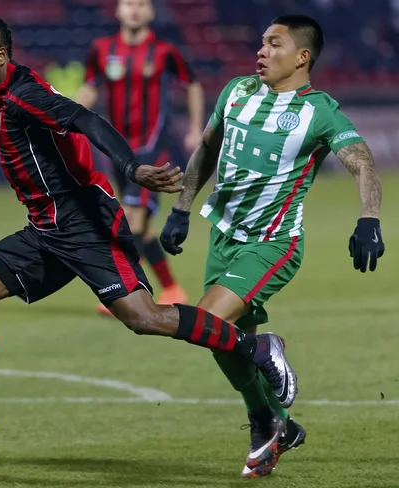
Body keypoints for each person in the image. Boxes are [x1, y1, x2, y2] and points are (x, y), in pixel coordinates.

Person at [0, 14, 298, 461]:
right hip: (46, 229)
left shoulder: (22, 96)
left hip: (85, 224)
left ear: (0, 56)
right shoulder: (3, 91)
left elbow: (84, 119)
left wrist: (132, 168)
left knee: (143, 317)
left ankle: (258, 346)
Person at [160, 14, 384, 479]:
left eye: (274, 44)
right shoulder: (237, 92)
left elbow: (362, 162)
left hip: (273, 242)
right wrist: (182, 208)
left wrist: (368, 219)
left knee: (209, 321)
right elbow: (207, 146)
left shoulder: (319, 110)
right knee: (217, 341)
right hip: (223, 235)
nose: (261, 51)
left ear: (302, 57)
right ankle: (269, 422)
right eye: (261, 42)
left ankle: (265, 349)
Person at [77, 0, 204, 314]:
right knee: (143, 229)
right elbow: (90, 88)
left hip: (153, 149)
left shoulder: (164, 52)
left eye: (141, 4)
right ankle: (172, 288)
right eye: (128, 4)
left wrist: (195, 128)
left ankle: (126, 293)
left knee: (131, 218)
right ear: (118, 11)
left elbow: (192, 85)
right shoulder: (101, 49)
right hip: (119, 151)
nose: (135, 9)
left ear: (150, 13)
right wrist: (65, 116)